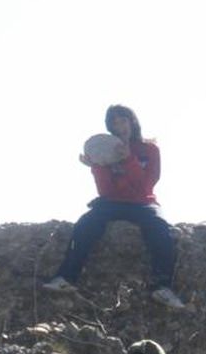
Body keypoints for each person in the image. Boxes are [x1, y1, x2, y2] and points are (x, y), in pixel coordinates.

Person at [43, 105, 185, 309]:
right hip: (112, 202)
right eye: (114, 123)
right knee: (86, 224)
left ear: (132, 122)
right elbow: (105, 191)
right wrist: (97, 166)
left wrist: (128, 159)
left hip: (143, 202)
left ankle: (163, 287)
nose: (119, 126)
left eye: (123, 120)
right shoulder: (106, 151)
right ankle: (66, 278)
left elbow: (146, 185)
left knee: (161, 230)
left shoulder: (149, 150)